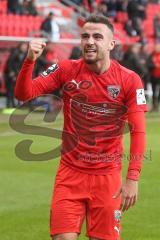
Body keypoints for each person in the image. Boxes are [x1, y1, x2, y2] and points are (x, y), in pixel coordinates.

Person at [15, 14, 147, 240]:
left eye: (97, 36)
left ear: (111, 44)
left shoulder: (129, 80)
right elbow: (24, 94)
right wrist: (29, 61)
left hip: (108, 177)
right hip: (70, 175)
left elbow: (138, 131)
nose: (90, 42)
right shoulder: (66, 69)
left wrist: (132, 178)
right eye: (85, 36)